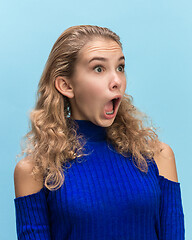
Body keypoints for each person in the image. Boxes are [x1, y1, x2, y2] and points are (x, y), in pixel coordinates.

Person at [14, 25, 185, 240]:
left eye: (120, 67)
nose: (117, 82)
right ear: (66, 85)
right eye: (99, 69)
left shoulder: (158, 157)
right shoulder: (35, 171)